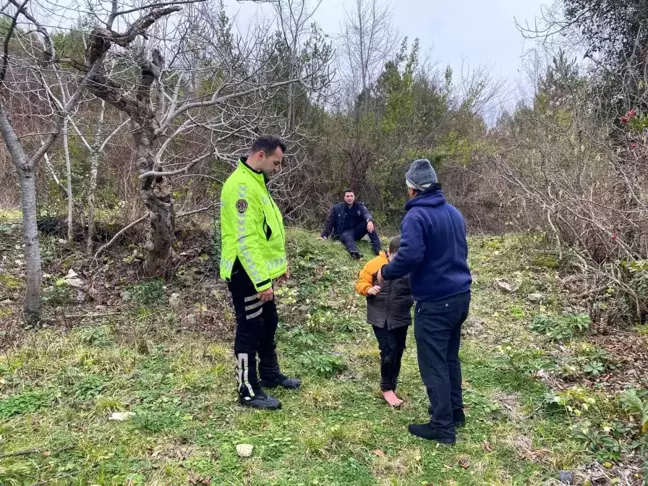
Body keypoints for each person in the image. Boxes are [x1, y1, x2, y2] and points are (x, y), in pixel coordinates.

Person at [377, 158, 472, 444]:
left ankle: (442, 427)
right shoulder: (454, 213)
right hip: (460, 297)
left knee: (434, 365)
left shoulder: (416, 217)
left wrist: (385, 272)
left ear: (412, 189)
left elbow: (409, 256)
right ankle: (455, 413)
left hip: (435, 302)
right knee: (449, 358)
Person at [219, 135, 301, 411]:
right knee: (250, 327)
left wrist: (279, 266)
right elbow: (246, 241)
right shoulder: (241, 187)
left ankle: (269, 373)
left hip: (260, 272)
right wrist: (262, 281)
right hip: (245, 273)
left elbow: (268, 231)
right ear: (261, 155)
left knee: (268, 321)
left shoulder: (257, 182)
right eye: (276, 163)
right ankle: (248, 388)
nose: (278, 168)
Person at [355, 236, 413, 408]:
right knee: (388, 350)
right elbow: (360, 283)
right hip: (379, 317)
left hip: (401, 316)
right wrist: (368, 289)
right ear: (389, 253)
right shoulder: (374, 264)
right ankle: (386, 388)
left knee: (398, 350)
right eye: (397, 258)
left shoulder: (411, 266)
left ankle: (392, 384)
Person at [320, 189, 381, 259]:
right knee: (347, 235)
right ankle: (354, 252)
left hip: (356, 232)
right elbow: (330, 223)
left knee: (369, 224)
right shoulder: (336, 208)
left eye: (351, 196)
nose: (350, 198)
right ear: (344, 197)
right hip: (342, 233)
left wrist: (369, 221)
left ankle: (378, 250)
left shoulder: (359, 206)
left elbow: (366, 213)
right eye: (347, 196)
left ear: (354, 197)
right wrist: (324, 236)